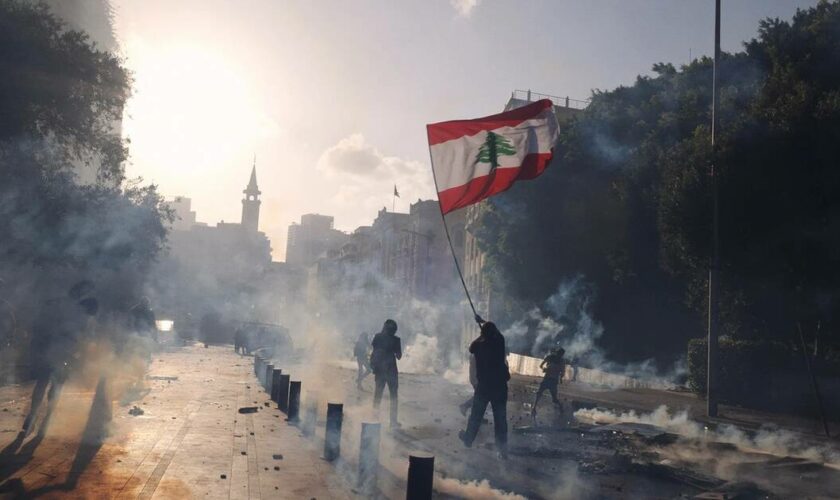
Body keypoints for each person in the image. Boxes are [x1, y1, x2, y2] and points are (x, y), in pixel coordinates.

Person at [459, 316, 510, 459]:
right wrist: (483, 323)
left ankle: (468, 439)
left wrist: (482, 334)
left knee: (476, 416)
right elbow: (498, 334)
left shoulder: (479, 346)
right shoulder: (499, 343)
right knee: (500, 419)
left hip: (484, 387)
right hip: (499, 386)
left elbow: (471, 347)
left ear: (482, 335)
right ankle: (502, 450)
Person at [370, 319, 401, 427]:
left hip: (380, 369)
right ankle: (393, 422)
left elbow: (374, 351)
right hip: (391, 370)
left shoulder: (378, 336)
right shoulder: (396, 340)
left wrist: (373, 364)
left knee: (378, 395)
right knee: (394, 396)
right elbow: (399, 356)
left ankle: (374, 418)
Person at [532, 347, 566, 416]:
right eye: (559, 353)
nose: (559, 355)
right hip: (548, 379)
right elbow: (541, 365)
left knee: (554, 399)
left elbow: (562, 372)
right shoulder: (551, 358)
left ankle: (560, 407)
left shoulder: (561, 361)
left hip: (552, 380)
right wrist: (544, 369)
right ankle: (534, 408)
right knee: (539, 393)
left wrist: (560, 378)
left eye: (560, 354)